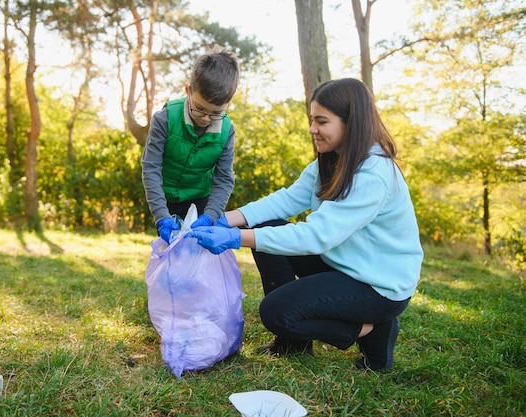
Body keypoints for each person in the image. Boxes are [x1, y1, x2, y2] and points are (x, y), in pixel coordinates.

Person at [187, 78, 424, 371]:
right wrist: (225, 219)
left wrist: (237, 237)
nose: (313, 129)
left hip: (379, 286)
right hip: (346, 264)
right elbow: (286, 200)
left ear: (352, 122)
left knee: (276, 312)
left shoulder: (373, 174)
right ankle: (294, 344)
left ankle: (373, 330)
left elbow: (316, 236)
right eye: (312, 119)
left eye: (322, 121)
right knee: (270, 227)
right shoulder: (332, 160)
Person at [141, 46, 240, 244]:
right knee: (171, 255)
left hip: (201, 201)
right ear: (188, 91)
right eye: (200, 109)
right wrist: (161, 216)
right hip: (165, 200)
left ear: (227, 104)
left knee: (198, 254)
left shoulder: (226, 131)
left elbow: (223, 179)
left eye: (215, 113)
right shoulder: (165, 119)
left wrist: (211, 215)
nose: (205, 118)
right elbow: (151, 168)